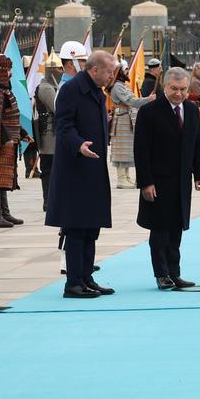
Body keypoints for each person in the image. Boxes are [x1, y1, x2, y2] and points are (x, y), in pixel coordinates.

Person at [46, 48, 116, 299]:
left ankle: (86, 277)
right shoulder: (71, 89)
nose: (112, 76)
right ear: (94, 70)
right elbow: (63, 126)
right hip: (75, 170)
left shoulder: (96, 91)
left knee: (91, 226)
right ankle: (74, 283)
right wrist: (78, 145)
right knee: (76, 227)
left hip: (93, 168)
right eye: (109, 72)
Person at [134, 65, 200, 289]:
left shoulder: (191, 110)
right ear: (165, 86)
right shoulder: (149, 112)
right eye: (174, 88)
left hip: (181, 181)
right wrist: (146, 182)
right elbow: (141, 151)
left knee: (176, 228)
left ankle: (175, 273)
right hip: (158, 182)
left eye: (183, 89)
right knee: (160, 229)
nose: (179, 93)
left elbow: (197, 144)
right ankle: (162, 274)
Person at [0, 54, 23, 228]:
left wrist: (21, 133)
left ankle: (4, 213)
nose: (10, 73)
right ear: (1, 70)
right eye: (8, 69)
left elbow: (9, 117)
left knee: (2, 179)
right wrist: (4, 140)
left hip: (6, 142)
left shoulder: (3, 91)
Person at [109, 59, 150, 189]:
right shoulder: (117, 86)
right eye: (125, 69)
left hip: (126, 118)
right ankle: (121, 178)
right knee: (122, 148)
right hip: (122, 118)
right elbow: (130, 101)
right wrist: (147, 100)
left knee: (126, 148)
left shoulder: (121, 85)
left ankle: (126, 177)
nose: (127, 72)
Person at [32, 51, 62, 211]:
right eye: (58, 68)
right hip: (49, 135)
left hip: (54, 134)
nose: (61, 71)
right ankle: (48, 201)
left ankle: (54, 199)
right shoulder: (46, 88)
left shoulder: (53, 87)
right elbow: (58, 108)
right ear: (51, 70)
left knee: (55, 169)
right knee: (49, 169)